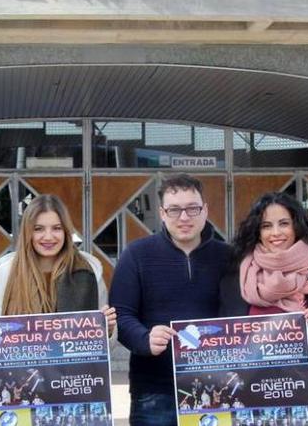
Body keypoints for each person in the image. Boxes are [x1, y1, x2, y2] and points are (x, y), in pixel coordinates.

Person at [219, 192, 308, 426]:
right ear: (257, 231)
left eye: (284, 223)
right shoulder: (235, 279)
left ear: (298, 226)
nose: (275, 233)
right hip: (254, 404)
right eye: (266, 226)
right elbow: (222, 338)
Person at [110, 173, 230, 426]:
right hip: (154, 391)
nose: (184, 217)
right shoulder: (136, 255)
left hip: (218, 387)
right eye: (174, 210)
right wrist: (145, 338)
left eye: (192, 208)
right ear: (163, 213)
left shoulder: (230, 257)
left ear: (205, 210)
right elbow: (121, 315)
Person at [0, 194, 116, 334]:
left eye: (56, 228)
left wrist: (108, 330)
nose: (48, 237)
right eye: (39, 229)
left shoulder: (87, 271)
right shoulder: (3, 274)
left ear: (66, 231)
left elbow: (102, 347)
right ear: (28, 232)